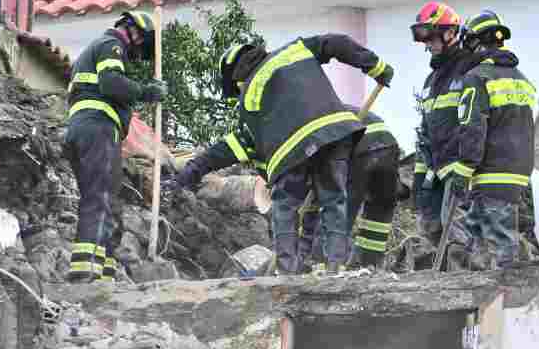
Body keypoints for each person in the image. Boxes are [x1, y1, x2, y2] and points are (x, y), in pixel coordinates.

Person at [166, 34, 394, 275]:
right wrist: (375, 66)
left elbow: (216, 155)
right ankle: (333, 268)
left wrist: (183, 178)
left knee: (285, 207)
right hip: (336, 135)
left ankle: (285, 274)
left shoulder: (250, 99)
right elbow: (336, 42)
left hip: (292, 152)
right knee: (334, 201)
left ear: (236, 77)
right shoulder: (295, 50)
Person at [65, 10, 166, 283]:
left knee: (108, 201)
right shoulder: (111, 44)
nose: (138, 52)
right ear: (134, 32)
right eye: (142, 45)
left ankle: (103, 272)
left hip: (87, 132)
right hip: (98, 129)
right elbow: (111, 83)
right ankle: (87, 271)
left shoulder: (96, 49)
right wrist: (147, 92)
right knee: (100, 198)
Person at [454, 10, 536, 269]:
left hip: (491, 170)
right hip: (518, 171)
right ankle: (485, 301)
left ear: (474, 42)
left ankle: (507, 300)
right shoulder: (521, 79)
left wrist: (464, 168)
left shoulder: (477, 77)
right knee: (480, 237)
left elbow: (472, 126)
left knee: (499, 246)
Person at [411, 2, 482, 270]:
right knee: (429, 226)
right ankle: (443, 284)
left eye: (430, 37)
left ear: (450, 33)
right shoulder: (433, 80)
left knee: (457, 232)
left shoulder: (470, 69)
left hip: (460, 168)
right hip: (435, 170)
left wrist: (468, 165)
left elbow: (477, 122)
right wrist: (419, 179)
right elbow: (426, 131)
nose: (426, 45)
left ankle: (465, 284)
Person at [298, 104, 400, 271]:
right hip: (388, 146)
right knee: (379, 211)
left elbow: (315, 202)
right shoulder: (326, 111)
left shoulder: (308, 126)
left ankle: (326, 268)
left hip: (361, 149)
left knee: (338, 211)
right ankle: (368, 265)